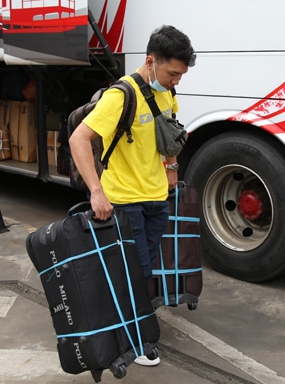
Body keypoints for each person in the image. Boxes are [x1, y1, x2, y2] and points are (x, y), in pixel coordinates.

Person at [69, 25, 196, 367]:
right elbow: (79, 139)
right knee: (135, 272)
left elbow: (168, 132)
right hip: (124, 201)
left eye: (180, 75)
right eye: (172, 73)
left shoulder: (167, 92)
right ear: (151, 61)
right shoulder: (121, 96)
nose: (176, 81)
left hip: (156, 199)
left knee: (142, 269)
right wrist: (96, 191)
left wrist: (171, 165)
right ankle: (134, 339)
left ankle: (120, 318)